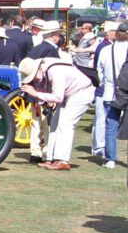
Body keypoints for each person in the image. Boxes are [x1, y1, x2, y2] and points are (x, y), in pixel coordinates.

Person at [18, 56, 94, 171]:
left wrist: (35, 93)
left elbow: (58, 97)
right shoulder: (45, 69)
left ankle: (62, 160)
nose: (34, 80)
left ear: (37, 70)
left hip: (81, 93)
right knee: (54, 124)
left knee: (66, 124)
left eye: (32, 77)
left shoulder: (55, 71)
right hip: (70, 95)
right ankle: (51, 158)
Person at [94, 22, 126, 168]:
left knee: (110, 126)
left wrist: (106, 84)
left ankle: (110, 159)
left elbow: (99, 71)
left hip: (110, 92)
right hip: (124, 91)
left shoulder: (107, 50)